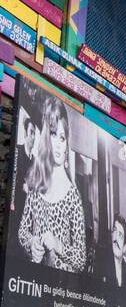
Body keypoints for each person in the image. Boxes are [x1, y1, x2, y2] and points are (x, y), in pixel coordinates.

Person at [18, 99, 86, 271]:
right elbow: (22, 232)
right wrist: (31, 243)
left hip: (60, 289)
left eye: (62, 138)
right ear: (47, 138)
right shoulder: (36, 183)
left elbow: (81, 258)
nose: (57, 144)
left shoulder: (73, 196)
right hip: (34, 281)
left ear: (67, 143)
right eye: (53, 134)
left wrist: (58, 245)